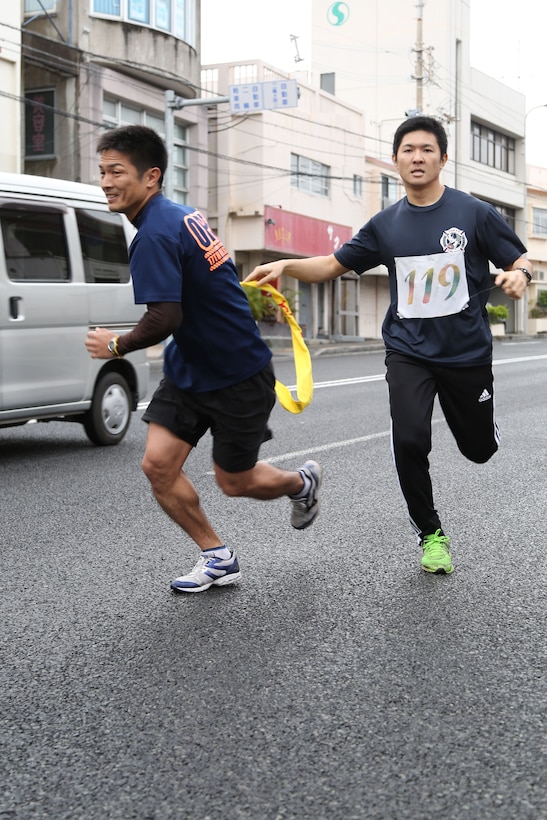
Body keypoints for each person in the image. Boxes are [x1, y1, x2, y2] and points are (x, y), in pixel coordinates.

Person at [245, 115, 532, 575]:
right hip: (408, 350)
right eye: (408, 150)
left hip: (466, 354)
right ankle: (430, 532)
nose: (417, 157)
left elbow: (519, 258)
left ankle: (484, 430)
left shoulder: (473, 213)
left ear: (443, 158)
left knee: (479, 451)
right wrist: (285, 265)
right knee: (410, 438)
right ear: (396, 159)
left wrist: (520, 275)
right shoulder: (384, 225)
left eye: (426, 149)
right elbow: (332, 264)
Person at [85, 125, 322, 593]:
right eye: (102, 172)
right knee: (157, 466)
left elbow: (165, 316)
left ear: (151, 177)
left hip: (236, 373)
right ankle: (217, 557)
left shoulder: (154, 233)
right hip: (190, 368)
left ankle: (300, 483)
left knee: (235, 481)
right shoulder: (178, 215)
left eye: (117, 172)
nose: (107, 182)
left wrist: (115, 346)